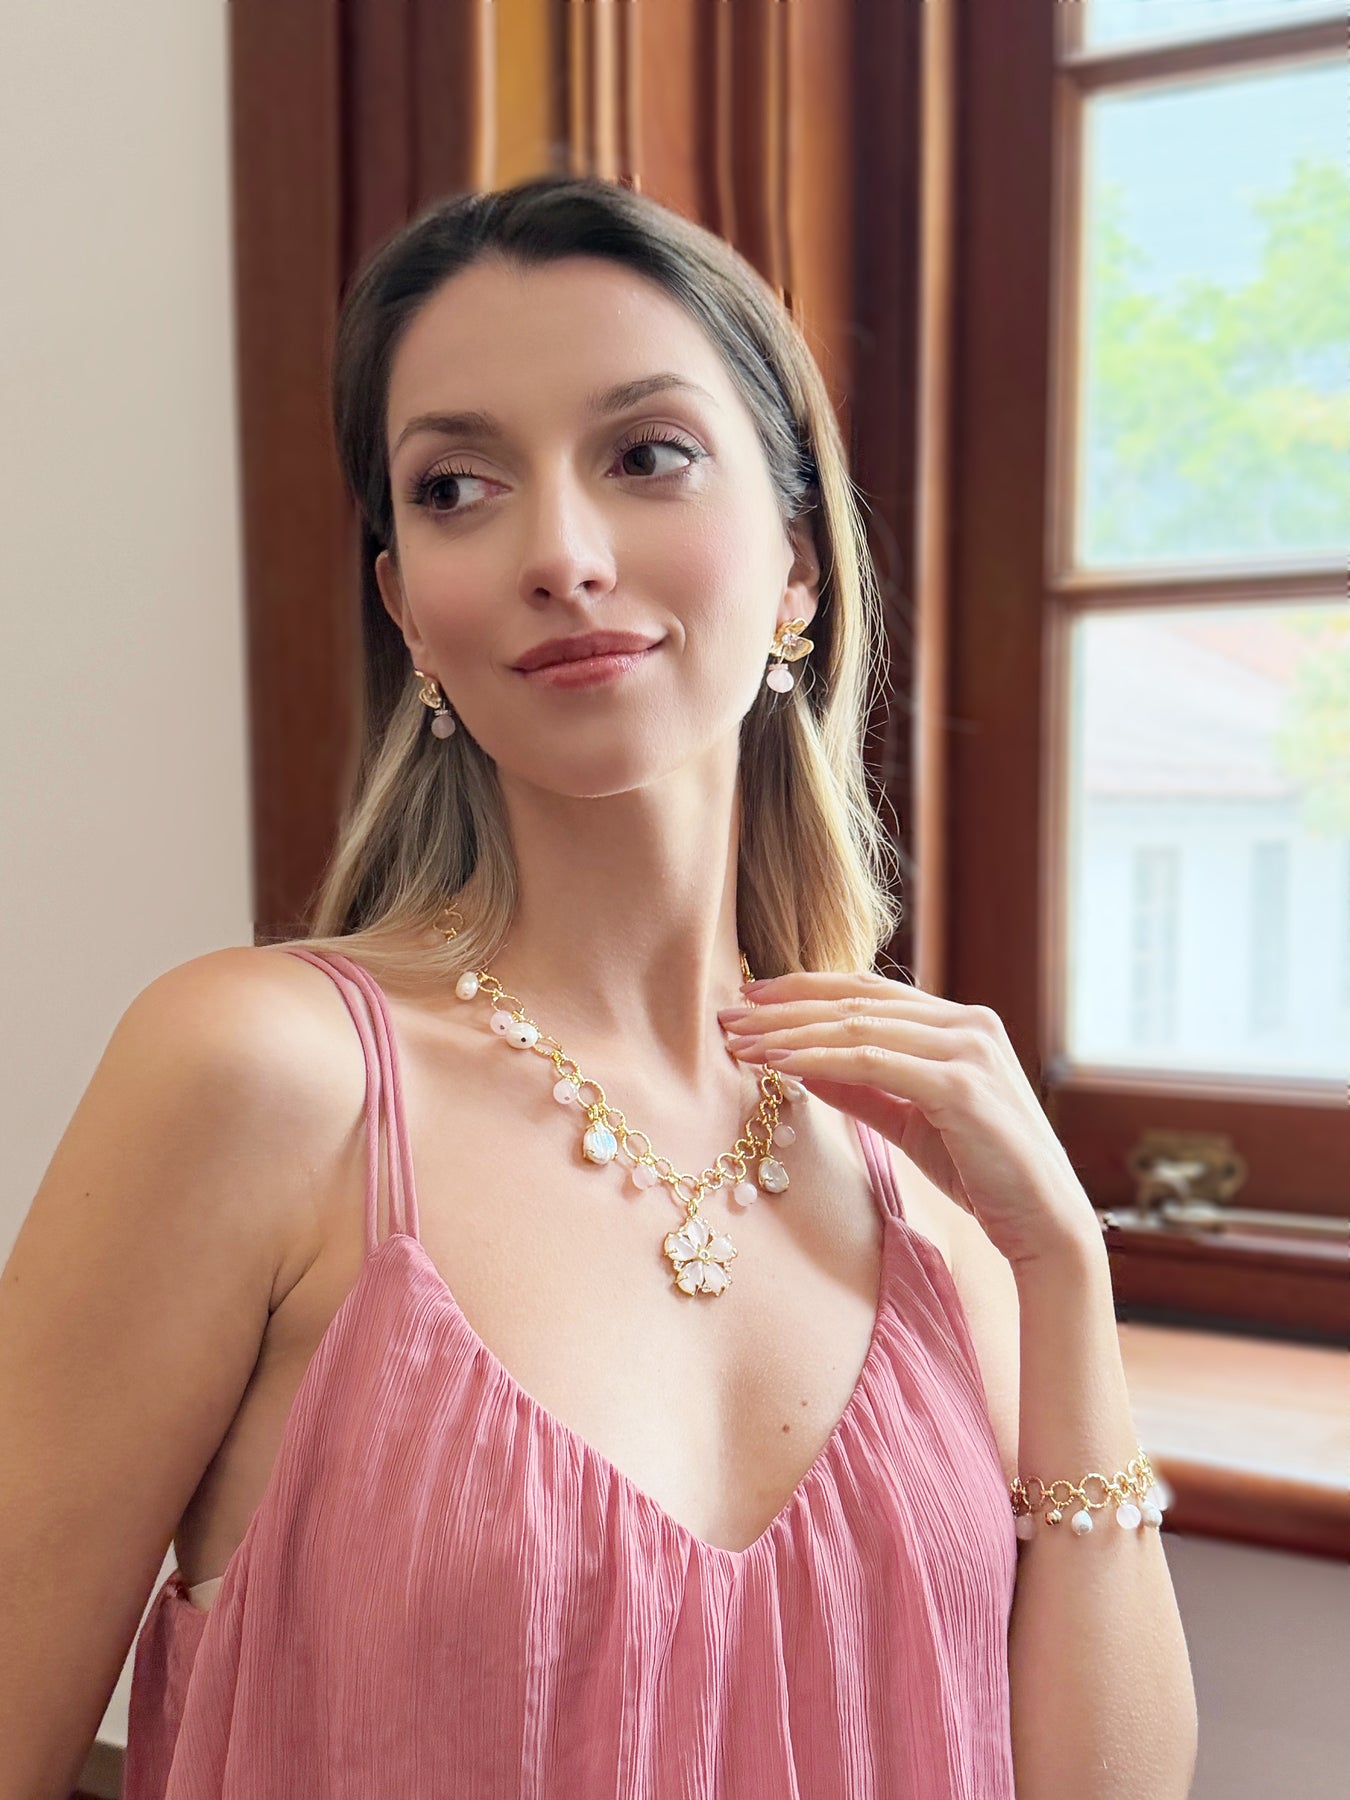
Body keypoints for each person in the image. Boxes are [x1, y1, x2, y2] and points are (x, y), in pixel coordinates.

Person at [1, 173, 1193, 1799]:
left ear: (795, 564)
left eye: (646, 456)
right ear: (406, 609)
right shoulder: (261, 1075)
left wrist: (1063, 1267)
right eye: (456, 487)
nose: (559, 555)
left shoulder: (928, 1190)